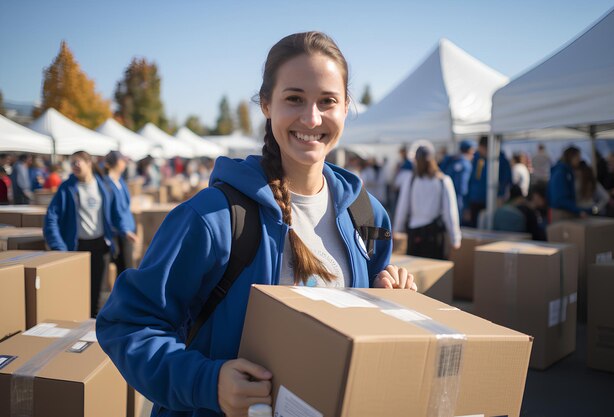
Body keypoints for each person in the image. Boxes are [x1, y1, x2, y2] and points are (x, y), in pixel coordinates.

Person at [96, 32, 416, 417]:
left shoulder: (366, 214)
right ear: (266, 104)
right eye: (294, 99)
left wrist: (390, 296)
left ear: (346, 106)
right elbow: (127, 324)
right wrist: (209, 383)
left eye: (327, 101)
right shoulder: (215, 217)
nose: (311, 118)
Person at [43, 150, 119, 318]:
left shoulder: (103, 186)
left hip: (100, 245)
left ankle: (93, 329)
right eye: (72, 163)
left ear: (89, 163)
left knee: (97, 292)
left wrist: (124, 229)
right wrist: (59, 246)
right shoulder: (67, 188)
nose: (74, 166)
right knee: (77, 291)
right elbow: (51, 218)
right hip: (77, 247)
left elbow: (116, 211)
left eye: (78, 162)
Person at [393, 142, 461, 260]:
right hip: (434, 234)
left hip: (415, 232)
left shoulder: (411, 179)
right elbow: (450, 212)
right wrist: (455, 238)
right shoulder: (443, 180)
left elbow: (402, 207)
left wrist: (397, 229)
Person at [466, 136, 512, 228]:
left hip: (492, 201)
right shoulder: (477, 159)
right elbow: (471, 180)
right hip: (475, 201)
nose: (479, 150)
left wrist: (500, 195)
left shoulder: (501, 160)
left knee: (490, 226)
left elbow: (506, 181)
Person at [104, 151, 138, 273]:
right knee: (125, 269)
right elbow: (115, 210)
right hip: (118, 233)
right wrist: (125, 230)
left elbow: (125, 207)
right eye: (123, 161)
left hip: (127, 229)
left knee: (128, 267)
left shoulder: (120, 181)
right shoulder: (107, 183)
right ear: (116, 162)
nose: (125, 164)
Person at [548, 146, 594, 222]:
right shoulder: (562, 172)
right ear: (571, 157)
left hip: (563, 210)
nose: (579, 159)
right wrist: (577, 210)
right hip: (561, 212)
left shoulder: (564, 171)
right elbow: (561, 198)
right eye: (578, 157)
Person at [440, 139, 474, 220]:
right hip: (458, 199)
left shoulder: (451, 160)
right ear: (469, 150)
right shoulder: (465, 164)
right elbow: (462, 188)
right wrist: (466, 206)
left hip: (445, 195)